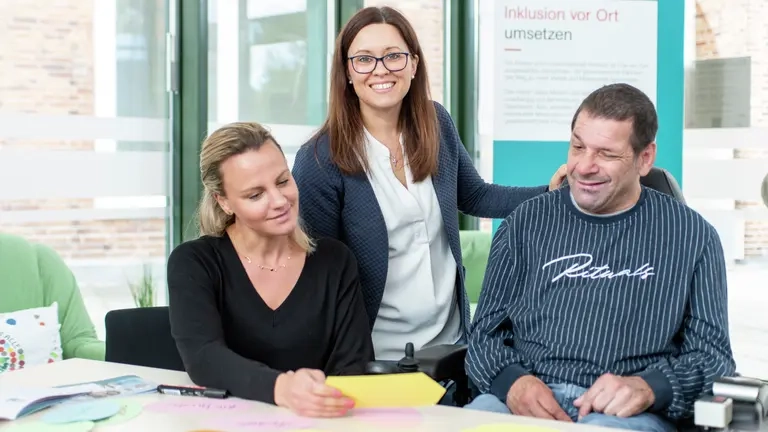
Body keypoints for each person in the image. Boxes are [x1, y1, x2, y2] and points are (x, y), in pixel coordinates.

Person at [291, 6, 566, 364]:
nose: (381, 69)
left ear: (414, 64)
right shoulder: (320, 159)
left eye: (394, 56)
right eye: (364, 59)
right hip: (374, 354)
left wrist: (551, 193)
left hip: (452, 343)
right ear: (347, 71)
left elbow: (476, 195)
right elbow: (317, 274)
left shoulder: (435, 122)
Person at [464, 83, 737, 431]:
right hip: (520, 403)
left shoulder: (693, 236)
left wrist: (649, 387)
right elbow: (484, 336)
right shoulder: (525, 223)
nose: (584, 166)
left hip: (626, 416)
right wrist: (512, 383)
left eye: (606, 154)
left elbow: (714, 359)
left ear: (645, 158)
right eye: (578, 147)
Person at [166, 122, 374, 418]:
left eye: (282, 181)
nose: (279, 202)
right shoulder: (195, 262)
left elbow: (354, 366)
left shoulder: (334, 261)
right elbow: (203, 357)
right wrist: (283, 388)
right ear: (223, 202)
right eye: (255, 195)